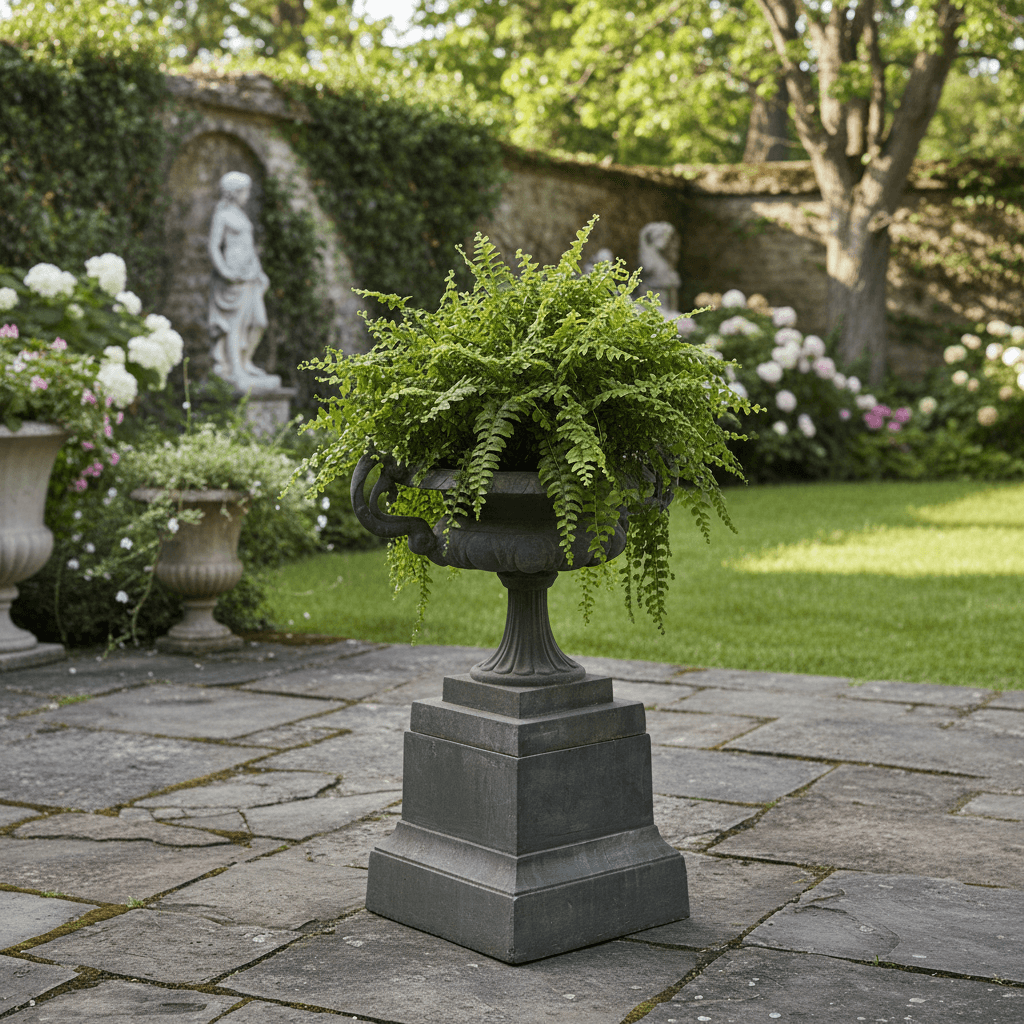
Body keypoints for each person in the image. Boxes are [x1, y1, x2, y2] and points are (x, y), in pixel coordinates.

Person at [207, 171, 281, 391]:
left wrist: (259, 273)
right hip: (233, 279)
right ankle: (235, 369)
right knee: (234, 326)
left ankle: (245, 361)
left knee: (259, 322)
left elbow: (248, 247)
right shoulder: (222, 215)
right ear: (234, 192)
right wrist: (225, 272)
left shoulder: (240, 215)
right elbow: (213, 246)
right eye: (245, 191)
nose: (248, 195)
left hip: (250, 276)